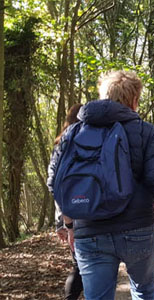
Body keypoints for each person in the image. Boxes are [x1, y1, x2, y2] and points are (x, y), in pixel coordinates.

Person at [47, 70, 154, 299]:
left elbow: (57, 183)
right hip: (138, 229)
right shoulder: (146, 131)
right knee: (142, 292)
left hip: (89, 232)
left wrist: (70, 225)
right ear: (134, 100)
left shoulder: (72, 133)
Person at [54, 103, 84, 300]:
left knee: (79, 265)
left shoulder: (61, 144)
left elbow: (55, 184)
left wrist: (59, 220)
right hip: (78, 211)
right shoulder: (80, 143)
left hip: (65, 211)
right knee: (81, 267)